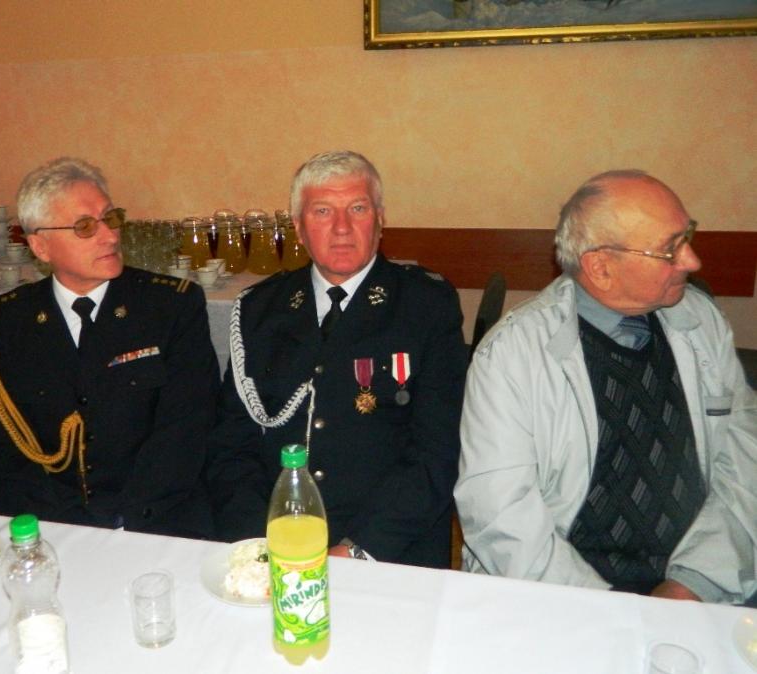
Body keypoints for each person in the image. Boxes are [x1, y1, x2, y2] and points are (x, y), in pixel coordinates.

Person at [455, 170, 756, 604]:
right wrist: (610, 610)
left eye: (687, 237)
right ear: (600, 267)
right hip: (561, 596)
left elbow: (744, 463)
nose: (692, 261)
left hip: (701, 584)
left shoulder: (702, 322)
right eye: (670, 248)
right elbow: (500, 515)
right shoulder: (511, 354)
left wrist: (693, 584)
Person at [206, 150, 467, 567]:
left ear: (380, 220)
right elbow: (231, 446)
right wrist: (261, 544)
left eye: (358, 209)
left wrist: (356, 551)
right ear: (298, 227)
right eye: (323, 211)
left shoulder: (425, 306)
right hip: (275, 540)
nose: (342, 228)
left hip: (388, 548)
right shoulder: (260, 309)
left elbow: (437, 451)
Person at [0, 157, 219, 537]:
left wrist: (125, 522)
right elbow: (5, 445)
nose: (109, 236)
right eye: (85, 227)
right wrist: (65, 527)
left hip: (158, 519)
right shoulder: (8, 320)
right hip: (53, 524)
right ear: (40, 246)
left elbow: (187, 428)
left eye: (111, 218)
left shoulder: (169, 306)